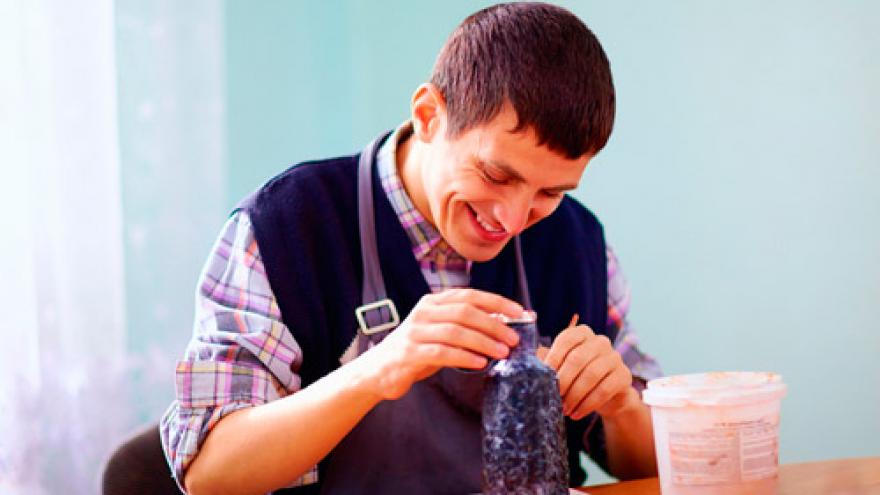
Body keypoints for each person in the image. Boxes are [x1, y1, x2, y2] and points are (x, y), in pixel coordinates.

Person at [160, 3, 662, 494]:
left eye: (549, 193)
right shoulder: (284, 229)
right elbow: (210, 470)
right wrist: (378, 369)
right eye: (494, 174)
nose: (512, 219)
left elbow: (653, 466)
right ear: (428, 116)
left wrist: (620, 406)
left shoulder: (577, 242)